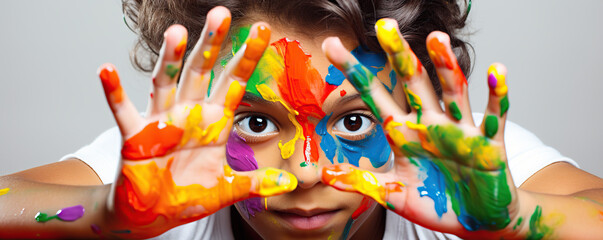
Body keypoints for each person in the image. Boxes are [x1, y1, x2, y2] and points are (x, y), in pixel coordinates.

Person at [1, 0, 603, 239]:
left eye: (353, 122)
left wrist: (518, 219)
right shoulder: (166, 170)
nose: (305, 171)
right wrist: (108, 214)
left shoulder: (468, 174)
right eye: (257, 124)